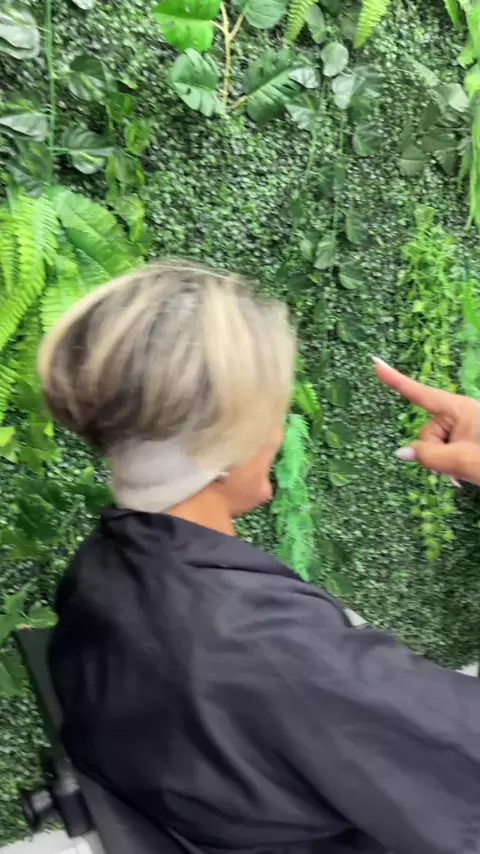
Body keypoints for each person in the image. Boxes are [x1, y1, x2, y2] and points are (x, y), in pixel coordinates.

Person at [41, 261, 480, 854]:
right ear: (227, 445)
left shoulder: (97, 573)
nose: (280, 428)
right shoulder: (276, 655)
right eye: (275, 408)